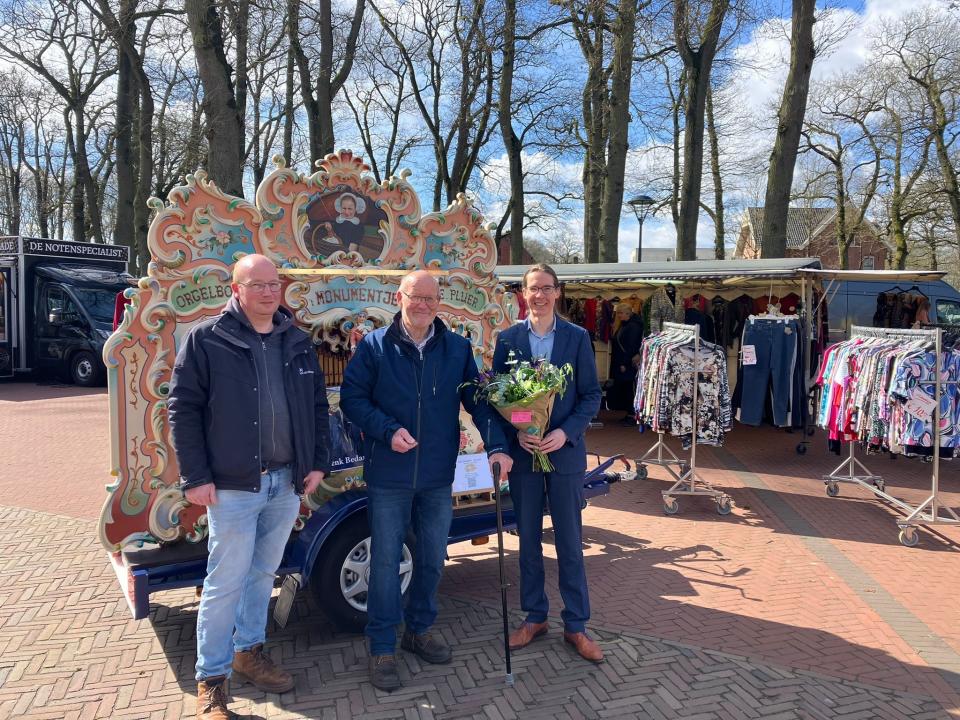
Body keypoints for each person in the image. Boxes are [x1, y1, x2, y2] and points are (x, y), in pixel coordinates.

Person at [168, 254, 332, 720]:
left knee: (262, 574)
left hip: (286, 482)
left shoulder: (297, 340)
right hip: (234, 486)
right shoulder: (207, 339)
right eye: (255, 284)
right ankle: (212, 680)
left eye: (273, 284)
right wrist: (196, 477)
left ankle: (249, 653)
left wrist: (316, 463)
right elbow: (182, 409)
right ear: (235, 290)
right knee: (224, 582)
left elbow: (317, 406)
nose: (267, 292)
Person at [340, 270, 514, 691]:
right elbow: (352, 399)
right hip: (389, 475)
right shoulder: (376, 347)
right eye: (415, 297)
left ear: (440, 303)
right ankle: (382, 646)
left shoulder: (456, 348)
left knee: (433, 559)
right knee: (385, 563)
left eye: (430, 299)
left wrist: (496, 446)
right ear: (399, 297)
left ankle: (419, 629)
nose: (422, 306)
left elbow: (479, 403)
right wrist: (386, 429)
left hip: (437, 476)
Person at [491, 263, 604, 663]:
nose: (538, 295)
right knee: (528, 543)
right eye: (532, 289)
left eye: (546, 288)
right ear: (523, 294)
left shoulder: (576, 338)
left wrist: (565, 433)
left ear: (558, 293)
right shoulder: (508, 339)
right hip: (524, 457)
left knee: (570, 543)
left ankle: (576, 625)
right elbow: (500, 396)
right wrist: (523, 429)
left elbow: (590, 395)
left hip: (565, 456)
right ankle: (535, 616)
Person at [609, 302, 645, 425]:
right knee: (626, 389)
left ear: (627, 313)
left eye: (620, 313)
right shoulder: (626, 325)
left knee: (630, 389)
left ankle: (632, 414)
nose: (618, 316)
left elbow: (631, 346)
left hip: (628, 363)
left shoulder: (633, 326)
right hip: (624, 361)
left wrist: (624, 363)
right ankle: (630, 413)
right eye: (617, 313)